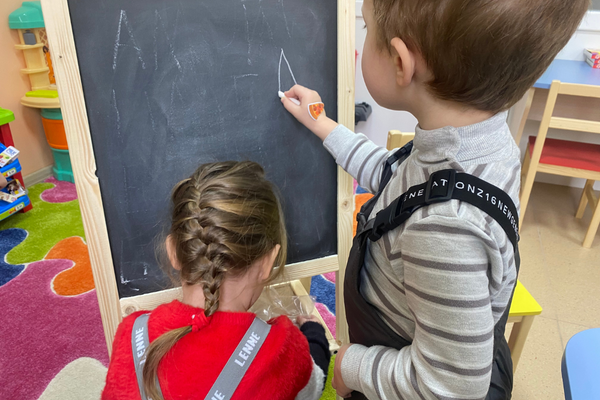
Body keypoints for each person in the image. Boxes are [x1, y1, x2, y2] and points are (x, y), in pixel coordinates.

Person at [280, 0, 588, 398]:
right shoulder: (477, 143)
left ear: (401, 62)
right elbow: (394, 178)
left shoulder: (445, 229)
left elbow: (449, 387)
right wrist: (323, 124)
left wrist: (351, 366)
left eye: (368, 29)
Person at [102, 161, 330, 400]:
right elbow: (312, 386)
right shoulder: (283, 350)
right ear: (267, 262)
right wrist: (315, 335)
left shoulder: (131, 335)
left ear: (173, 252)